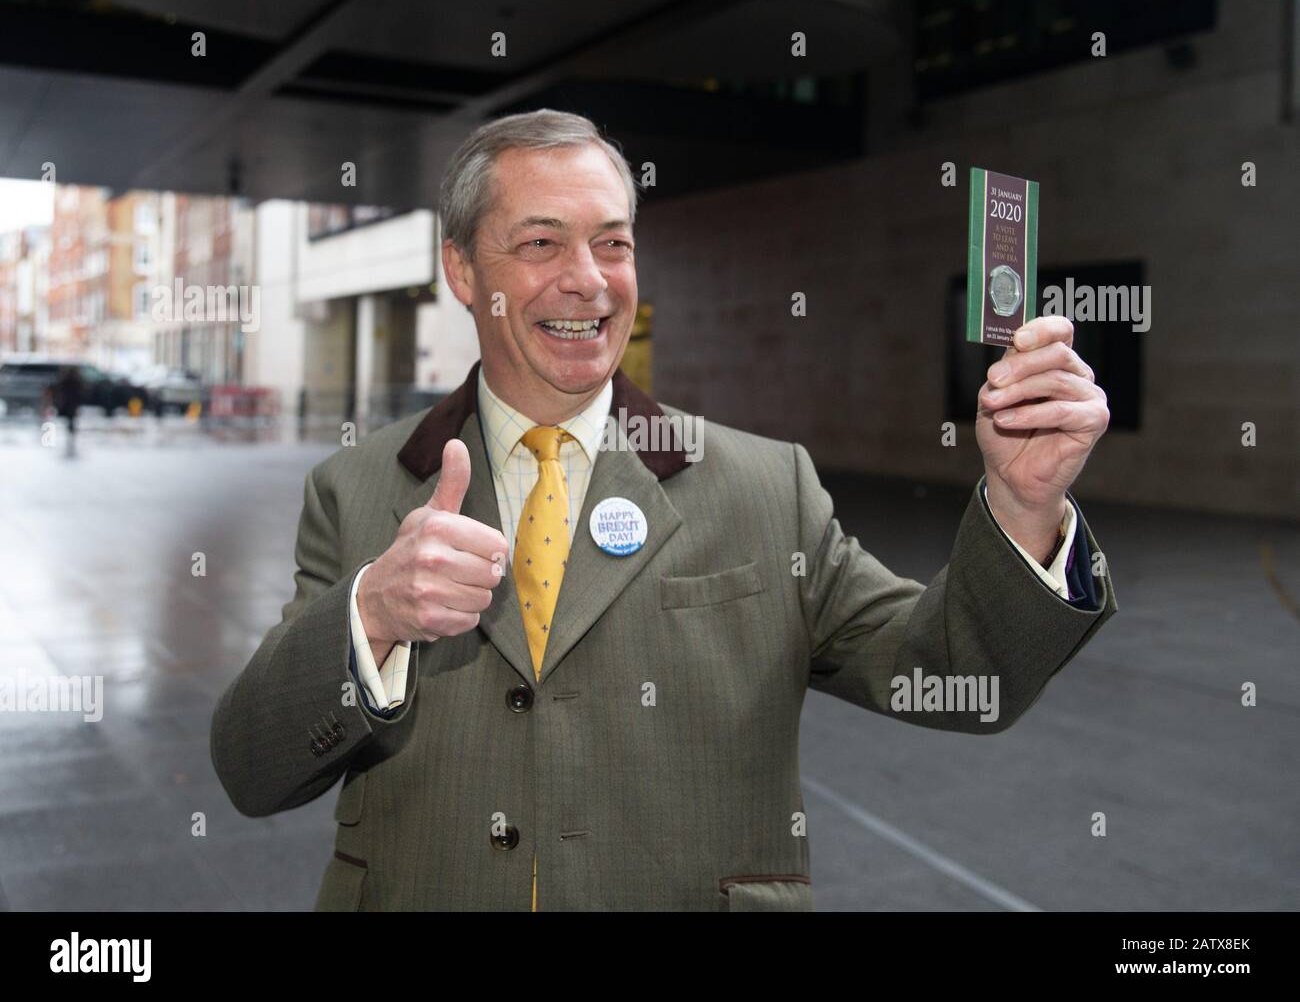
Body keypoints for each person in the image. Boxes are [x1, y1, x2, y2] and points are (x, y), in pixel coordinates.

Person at [210, 109, 1117, 912]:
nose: (589, 281)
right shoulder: (359, 490)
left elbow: (962, 675)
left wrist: (1024, 501)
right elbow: (254, 767)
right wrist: (371, 612)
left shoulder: (767, 488)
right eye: (540, 245)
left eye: (613, 243)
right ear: (459, 267)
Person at [48, 365, 83, 458]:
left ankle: (70, 439)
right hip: (70, 405)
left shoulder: (66, 380)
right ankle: (70, 438)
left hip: (67, 404)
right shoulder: (75, 381)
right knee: (71, 423)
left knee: (70, 423)